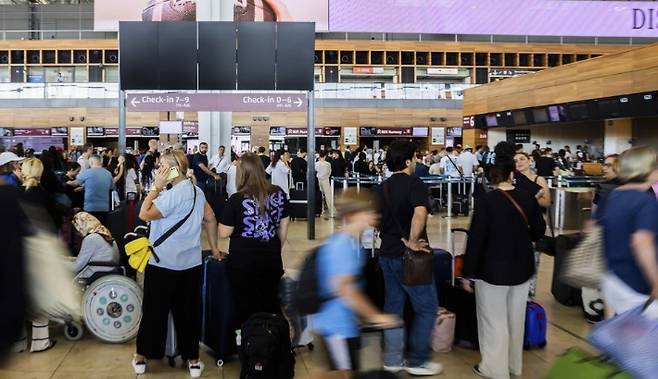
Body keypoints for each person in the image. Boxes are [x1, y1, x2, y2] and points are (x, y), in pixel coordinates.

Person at [132, 150, 220, 378]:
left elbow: (144, 213)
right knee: (188, 313)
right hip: (190, 265)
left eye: (161, 165)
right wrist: (215, 247)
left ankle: (142, 356)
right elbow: (210, 218)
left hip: (162, 263)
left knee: (154, 311)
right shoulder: (197, 192)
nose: (158, 168)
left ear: (173, 169)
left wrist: (156, 187)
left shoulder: (170, 195)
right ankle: (192, 360)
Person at [462, 142, 546, 379]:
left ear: (491, 177)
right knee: (515, 318)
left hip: (492, 270)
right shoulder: (527, 197)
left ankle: (494, 369)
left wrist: (469, 272)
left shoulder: (487, 201)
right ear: (512, 174)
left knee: (493, 320)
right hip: (522, 267)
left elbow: (476, 239)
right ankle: (513, 366)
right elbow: (539, 229)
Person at [312, 188, 400, 371]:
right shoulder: (343, 246)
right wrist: (376, 317)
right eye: (369, 210)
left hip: (345, 325)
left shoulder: (351, 243)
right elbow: (346, 291)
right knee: (345, 373)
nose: (375, 214)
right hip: (336, 328)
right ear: (355, 214)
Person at [376, 140, 442, 376]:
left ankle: (393, 359)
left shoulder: (382, 186)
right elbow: (420, 212)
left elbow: (376, 220)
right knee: (427, 307)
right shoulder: (415, 183)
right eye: (414, 158)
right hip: (410, 259)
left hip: (387, 254)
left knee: (393, 307)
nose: (416, 161)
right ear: (407, 160)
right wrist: (413, 241)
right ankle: (417, 360)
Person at [219, 152, 290, 330]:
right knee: (270, 300)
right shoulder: (279, 193)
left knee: (244, 304)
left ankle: (248, 344)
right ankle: (272, 341)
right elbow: (284, 227)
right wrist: (274, 247)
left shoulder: (236, 199)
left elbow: (224, 232)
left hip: (242, 261)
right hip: (272, 258)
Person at [598, 146, 658, 316]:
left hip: (613, 278)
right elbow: (641, 242)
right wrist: (655, 281)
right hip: (636, 284)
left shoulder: (613, 196)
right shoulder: (646, 202)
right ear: (649, 169)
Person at [67, 212, 119, 279]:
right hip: (108, 270)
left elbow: (76, 267)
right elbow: (90, 258)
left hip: (95, 273)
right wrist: (69, 259)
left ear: (82, 225)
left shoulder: (91, 238)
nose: (77, 233)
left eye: (77, 229)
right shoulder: (103, 233)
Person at [66, 155, 113, 224]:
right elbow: (111, 187)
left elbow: (75, 183)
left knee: (91, 229)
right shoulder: (108, 174)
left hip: (90, 207)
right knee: (102, 229)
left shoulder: (87, 172)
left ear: (91, 162)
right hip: (104, 207)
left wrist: (67, 182)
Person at [316, 150, 334, 219]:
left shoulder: (316, 163)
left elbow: (315, 171)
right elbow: (330, 172)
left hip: (319, 180)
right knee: (328, 196)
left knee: (320, 196)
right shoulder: (328, 164)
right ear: (325, 156)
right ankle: (331, 210)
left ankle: (321, 210)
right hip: (326, 180)